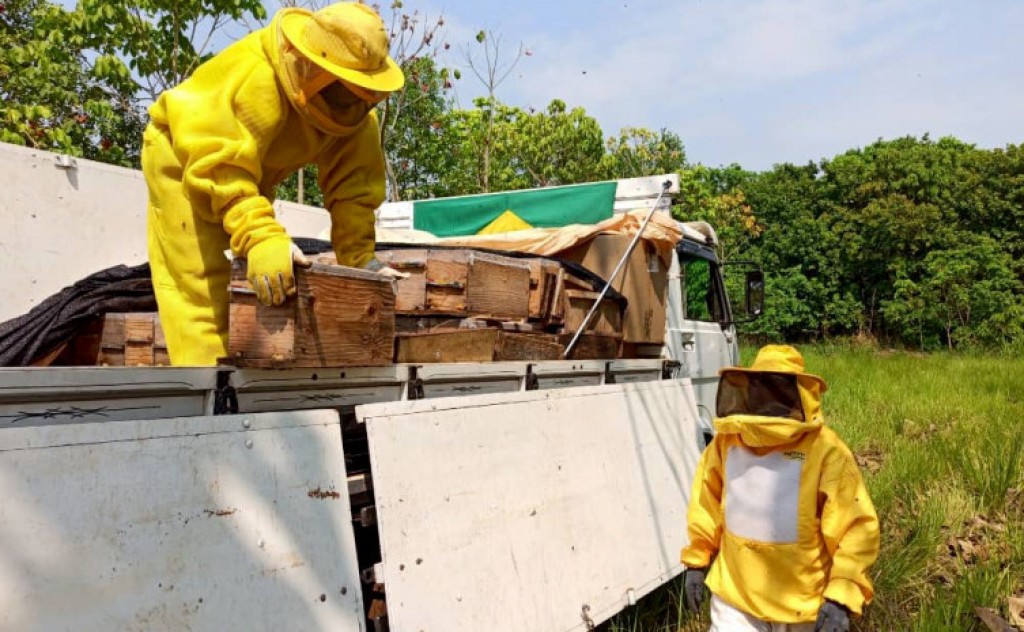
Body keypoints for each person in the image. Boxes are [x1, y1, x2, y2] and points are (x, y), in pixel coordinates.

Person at [142, 2, 404, 365]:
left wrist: (361, 260)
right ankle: (206, 400)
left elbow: (354, 191)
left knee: (252, 286)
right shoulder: (257, 77)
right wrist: (260, 235)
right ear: (309, 66)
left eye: (361, 94)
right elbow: (219, 163)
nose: (351, 104)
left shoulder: (356, 112)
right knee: (203, 284)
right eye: (343, 92)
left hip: (247, 170)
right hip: (184, 153)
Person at [681, 345, 880, 632]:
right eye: (763, 387)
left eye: (777, 388)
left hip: (802, 605)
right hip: (736, 599)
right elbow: (706, 503)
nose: (768, 397)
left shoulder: (824, 450)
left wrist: (843, 592)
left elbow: (854, 526)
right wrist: (696, 560)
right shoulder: (727, 443)